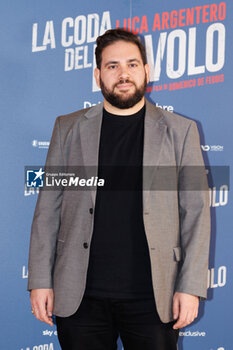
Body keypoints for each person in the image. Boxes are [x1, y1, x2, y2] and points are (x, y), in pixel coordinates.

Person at [28, 29, 210, 350]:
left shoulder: (180, 132)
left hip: (154, 297)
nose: (123, 74)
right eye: (112, 66)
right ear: (98, 75)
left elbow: (196, 213)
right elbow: (47, 210)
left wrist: (191, 287)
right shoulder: (67, 128)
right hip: (80, 298)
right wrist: (41, 281)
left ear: (146, 71)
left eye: (132, 64)